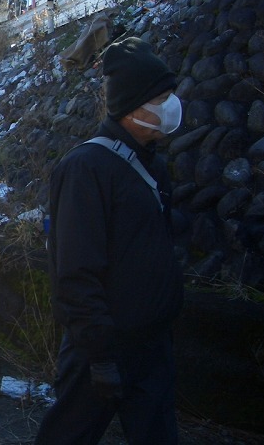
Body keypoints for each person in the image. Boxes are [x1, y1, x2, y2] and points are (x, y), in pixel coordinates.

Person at [36, 37, 185, 444]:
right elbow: (74, 271)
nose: (172, 105)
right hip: (100, 351)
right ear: (134, 107)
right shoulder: (86, 169)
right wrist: (100, 356)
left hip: (152, 346)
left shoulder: (153, 167)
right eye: (164, 97)